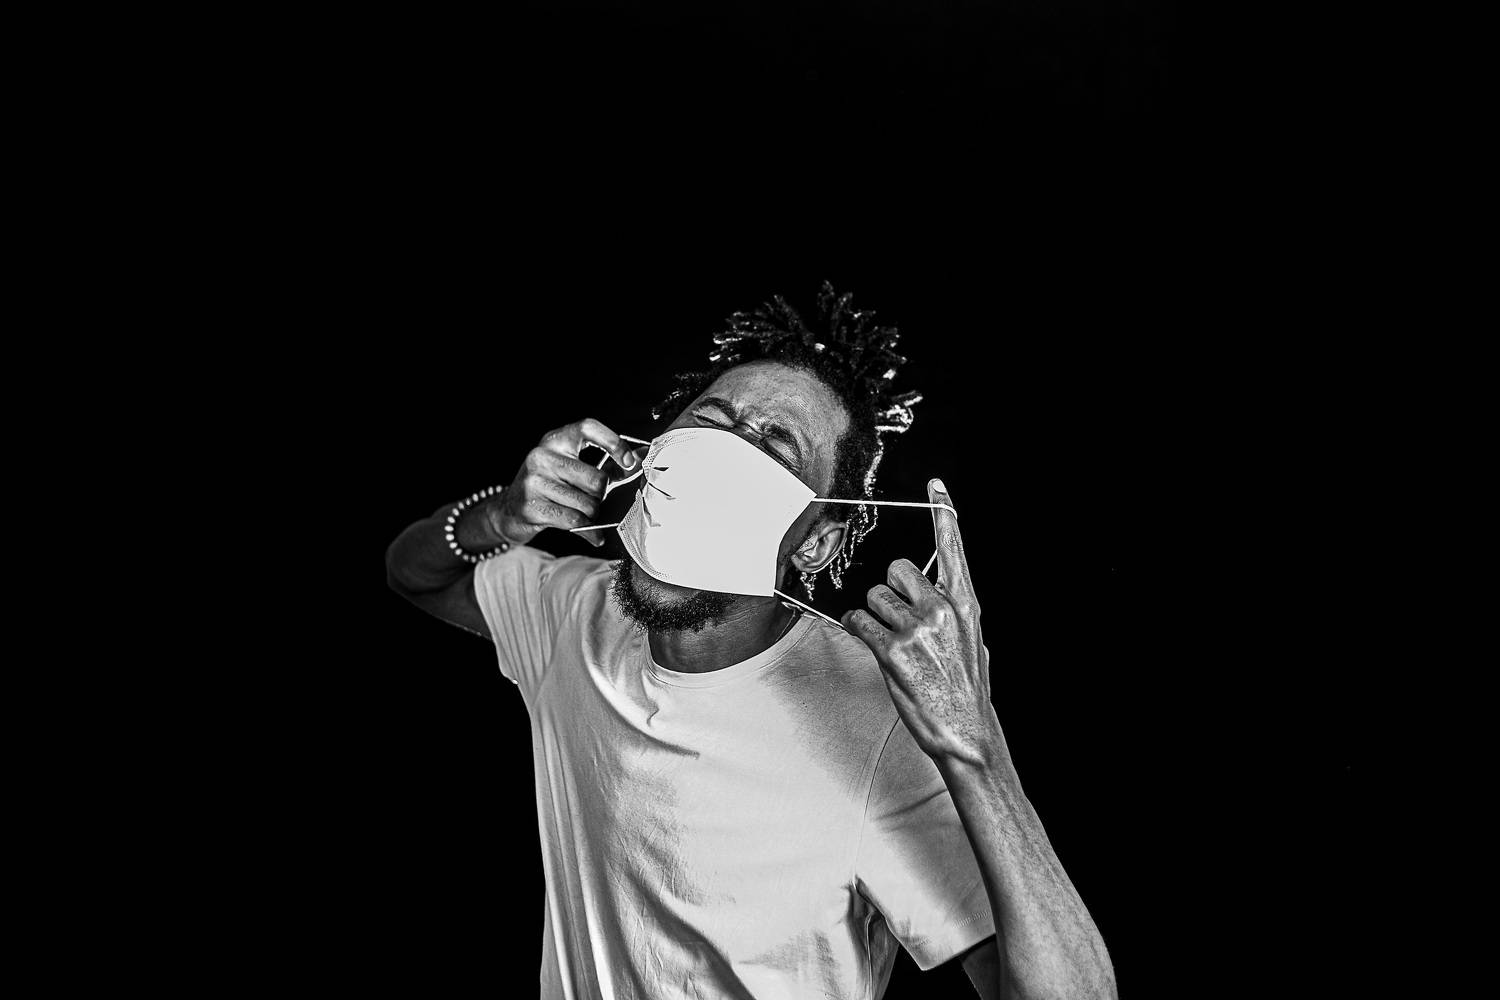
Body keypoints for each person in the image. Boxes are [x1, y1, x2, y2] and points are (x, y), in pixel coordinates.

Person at [385, 283, 1116, 999]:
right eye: (710, 423)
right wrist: (500, 518)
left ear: (817, 542)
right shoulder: (575, 610)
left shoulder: (881, 728)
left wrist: (974, 746)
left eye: (774, 447)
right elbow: (414, 575)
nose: (720, 458)